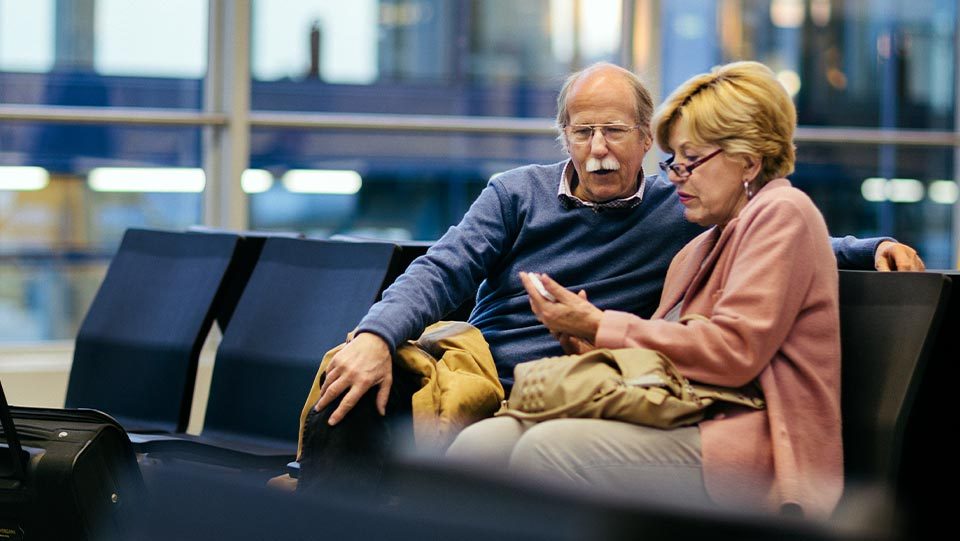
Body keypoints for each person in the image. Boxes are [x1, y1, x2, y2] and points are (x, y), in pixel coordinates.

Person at [311, 61, 922, 429]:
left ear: (647, 138)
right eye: (583, 132)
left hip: (587, 387)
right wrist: (375, 336)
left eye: (615, 131)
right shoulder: (514, 194)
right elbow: (442, 270)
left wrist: (868, 249)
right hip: (487, 376)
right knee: (360, 375)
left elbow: (769, 234)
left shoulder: (680, 207)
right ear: (564, 136)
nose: (598, 149)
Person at [447, 61, 848, 518]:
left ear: (749, 161)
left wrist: (600, 325)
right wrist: (588, 344)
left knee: (545, 450)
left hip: (748, 441)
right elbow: (664, 362)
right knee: (480, 447)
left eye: (691, 160)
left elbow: (734, 350)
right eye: (673, 161)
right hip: (681, 413)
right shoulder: (696, 248)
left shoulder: (782, 212)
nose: (676, 176)